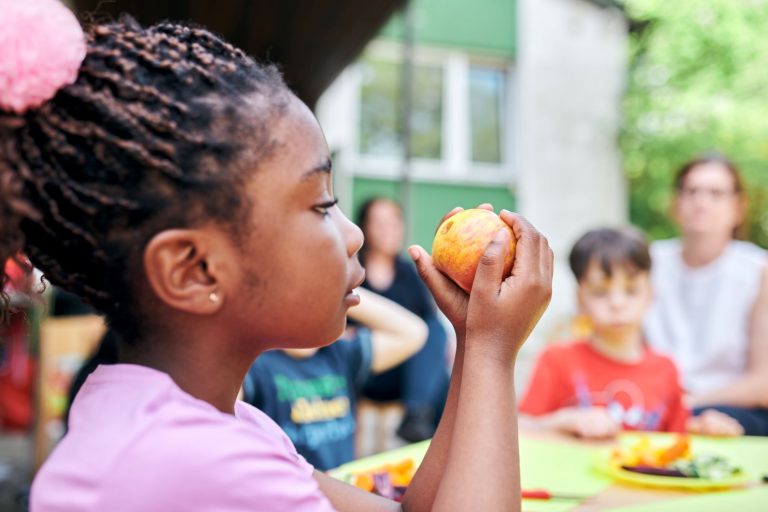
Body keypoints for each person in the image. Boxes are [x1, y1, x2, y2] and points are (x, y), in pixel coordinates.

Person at [0, 2, 553, 511]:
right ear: (194, 270)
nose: (354, 235)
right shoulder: (188, 459)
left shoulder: (218, 425)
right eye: (322, 205)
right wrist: (493, 354)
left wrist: (475, 340)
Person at [520, 228, 743, 439]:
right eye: (600, 292)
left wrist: (703, 428)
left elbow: (676, 439)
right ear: (580, 299)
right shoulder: (556, 360)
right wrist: (565, 421)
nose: (617, 303)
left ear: (650, 293)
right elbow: (521, 427)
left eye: (631, 290)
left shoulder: (666, 369)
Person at [644, 153, 768, 436]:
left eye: (716, 193)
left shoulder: (760, 271)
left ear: (738, 208)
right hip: (652, 401)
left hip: (732, 408)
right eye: (692, 191)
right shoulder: (648, 263)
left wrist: (688, 403)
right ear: (676, 203)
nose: (701, 202)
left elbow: (763, 384)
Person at [243, 287, 427, 471]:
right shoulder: (255, 365)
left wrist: (342, 287)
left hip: (343, 484)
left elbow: (413, 332)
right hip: (290, 486)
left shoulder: (339, 353)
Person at [356, 197, 450, 442]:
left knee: (436, 332)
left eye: (394, 222)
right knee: (440, 374)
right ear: (364, 227)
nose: (389, 229)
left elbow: (432, 330)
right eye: (380, 223)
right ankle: (423, 424)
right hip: (368, 368)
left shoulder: (410, 274)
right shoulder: (353, 273)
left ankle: (418, 417)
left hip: (406, 375)